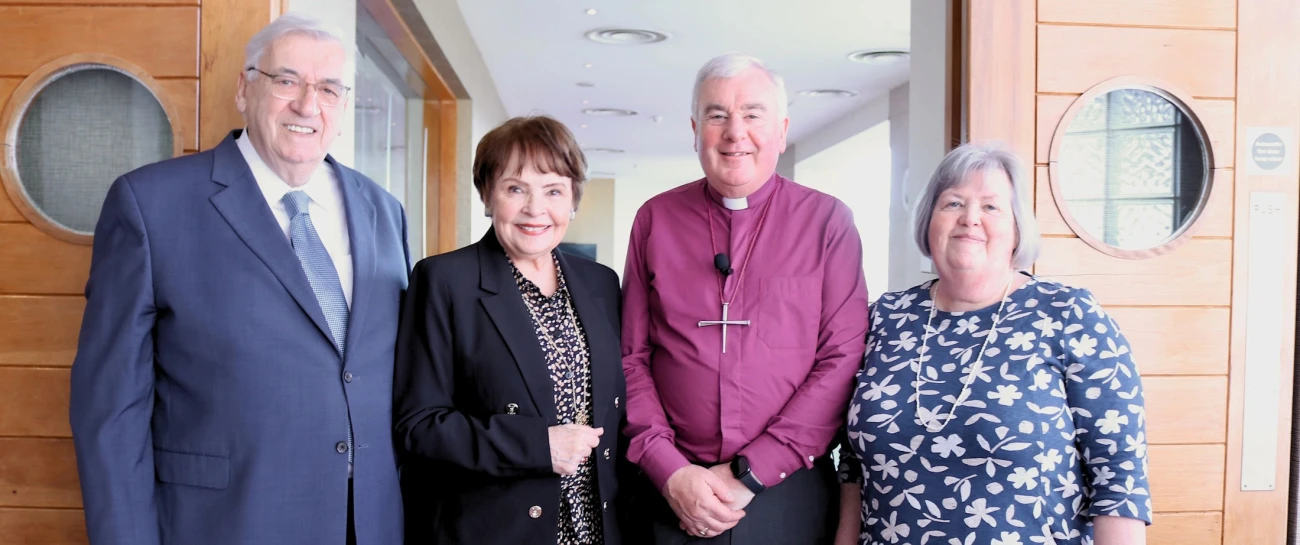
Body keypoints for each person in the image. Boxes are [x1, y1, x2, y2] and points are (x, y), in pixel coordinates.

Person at [68, 13, 409, 545]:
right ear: (244, 89)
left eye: (328, 89)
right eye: (287, 80)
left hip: (369, 526)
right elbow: (110, 410)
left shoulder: (383, 211)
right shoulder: (151, 205)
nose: (307, 105)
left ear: (343, 107)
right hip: (225, 524)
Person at [834, 143, 1151, 545]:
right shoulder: (885, 317)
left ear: (1017, 229)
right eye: (953, 203)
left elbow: (1119, 479)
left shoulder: (1069, 314)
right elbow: (853, 468)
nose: (970, 218)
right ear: (929, 221)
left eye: (991, 207)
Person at [621, 53, 870, 544]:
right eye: (717, 115)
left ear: (782, 130)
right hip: (672, 492)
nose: (736, 133)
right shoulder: (655, 219)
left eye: (753, 114)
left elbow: (842, 359)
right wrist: (669, 469)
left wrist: (751, 472)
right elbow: (631, 357)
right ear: (695, 130)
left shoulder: (828, 222)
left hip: (788, 491)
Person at [393, 115, 626, 545]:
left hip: (595, 530)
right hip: (495, 530)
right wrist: (536, 447)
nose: (535, 209)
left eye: (553, 190)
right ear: (487, 196)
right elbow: (418, 425)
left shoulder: (602, 284)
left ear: (573, 200)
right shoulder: (445, 281)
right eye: (515, 189)